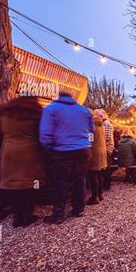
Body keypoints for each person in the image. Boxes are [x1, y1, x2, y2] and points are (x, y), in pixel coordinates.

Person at [39, 91, 94, 224]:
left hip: (62, 150)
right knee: (80, 180)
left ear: (59, 97)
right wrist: (88, 144)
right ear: (72, 98)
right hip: (83, 149)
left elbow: (45, 132)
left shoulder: (51, 108)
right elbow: (92, 131)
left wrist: (48, 148)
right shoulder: (84, 110)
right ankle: (78, 209)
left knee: (61, 182)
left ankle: (58, 214)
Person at [0, 97, 45, 227]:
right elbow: (42, 134)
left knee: (15, 185)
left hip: (8, 153)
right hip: (30, 153)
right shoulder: (36, 116)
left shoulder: (5, 115)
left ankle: (17, 217)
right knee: (31, 185)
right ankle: (27, 215)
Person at [87, 110, 108, 205]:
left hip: (94, 151)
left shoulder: (93, 124)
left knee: (93, 175)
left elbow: (90, 139)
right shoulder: (102, 124)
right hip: (102, 151)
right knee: (98, 173)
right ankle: (100, 194)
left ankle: (94, 197)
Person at [95, 109, 114, 191]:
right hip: (104, 147)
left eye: (97, 116)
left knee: (106, 167)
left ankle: (107, 185)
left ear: (102, 116)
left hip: (106, 148)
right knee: (104, 167)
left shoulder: (107, 124)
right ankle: (104, 184)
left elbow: (105, 138)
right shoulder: (103, 124)